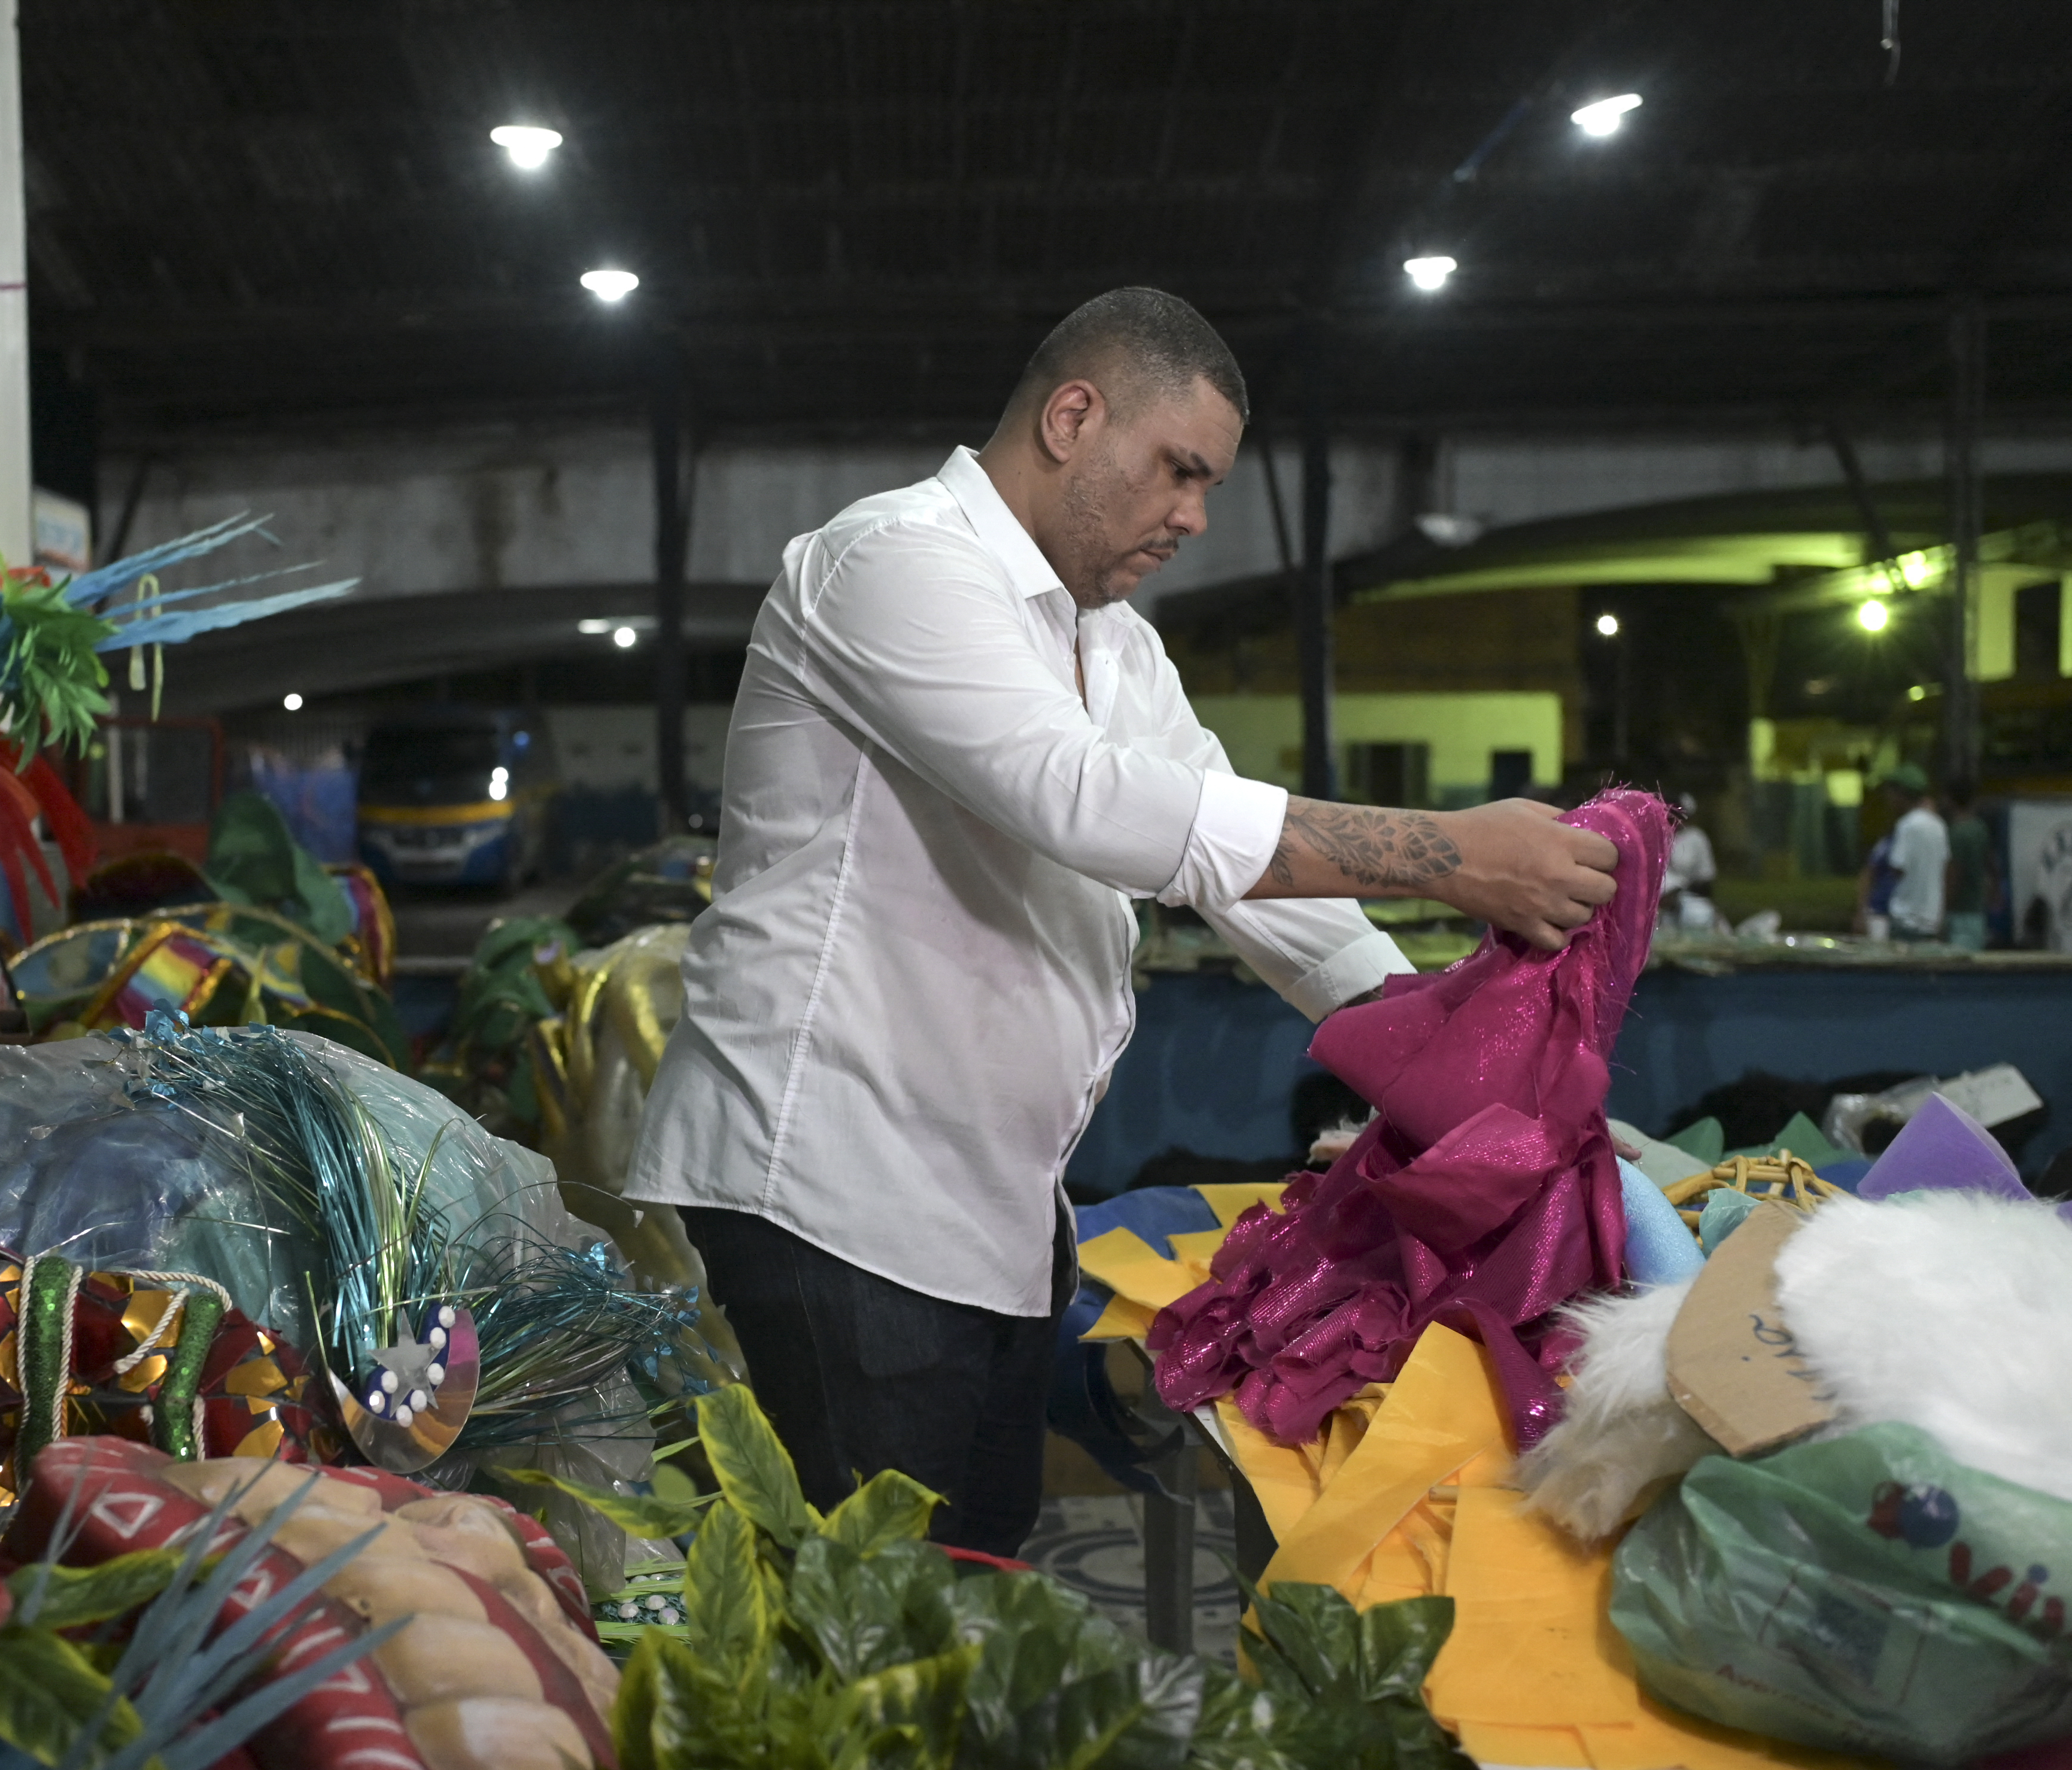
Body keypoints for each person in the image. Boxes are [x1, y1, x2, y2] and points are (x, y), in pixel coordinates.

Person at [621, 288, 1620, 1555]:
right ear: (1071, 415)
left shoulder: (1111, 643)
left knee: (973, 1568)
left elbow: (1222, 859)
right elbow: (1088, 804)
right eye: (1178, 472)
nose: (1195, 517)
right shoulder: (890, 562)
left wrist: (1436, 1067)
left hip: (985, 1199)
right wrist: (1448, 852)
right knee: (872, 1634)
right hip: (835, 1191)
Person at [1877, 764, 1949, 942]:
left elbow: (1897, 868)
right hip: (1931, 919)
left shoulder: (1907, 826)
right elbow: (1945, 866)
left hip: (1906, 919)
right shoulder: (1938, 825)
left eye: (1892, 794)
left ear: (1902, 795)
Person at [1943, 774, 1992, 952]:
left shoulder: (1957, 834)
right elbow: (1990, 864)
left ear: (1949, 799)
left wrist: (1944, 908)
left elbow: (1954, 873)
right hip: (1977, 910)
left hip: (1960, 912)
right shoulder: (1980, 828)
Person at [1661, 791, 1717, 930]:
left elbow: (1706, 879)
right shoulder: (1657, 837)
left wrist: (1679, 894)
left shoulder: (1696, 838)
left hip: (1687, 902)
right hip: (1659, 904)